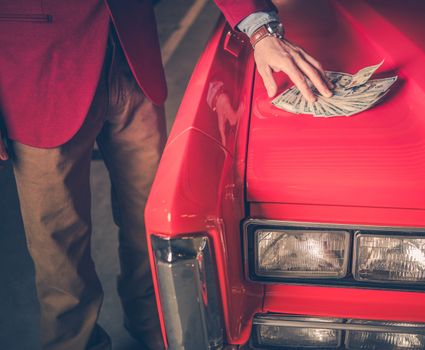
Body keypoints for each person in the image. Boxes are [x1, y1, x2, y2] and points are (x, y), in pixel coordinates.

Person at [0, 1, 332, 349]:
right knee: (60, 255)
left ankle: (151, 323)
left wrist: (260, 31)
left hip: (130, 57)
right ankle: (74, 342)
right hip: (36, 74)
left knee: (150, 222)